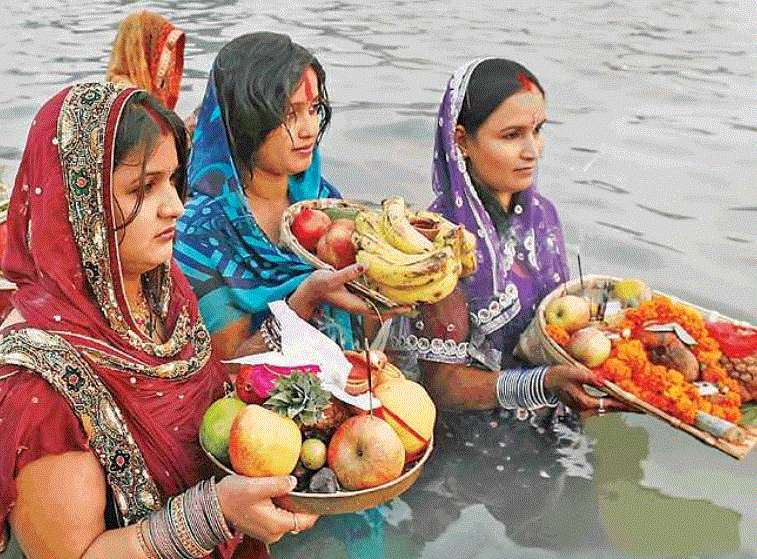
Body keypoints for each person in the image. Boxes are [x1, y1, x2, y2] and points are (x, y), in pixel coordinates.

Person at [0, 82, 319, 559]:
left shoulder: (161, 292)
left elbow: (209, 400)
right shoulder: (39, 382)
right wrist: (214, 513)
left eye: (173, 180)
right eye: (142, 188)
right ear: (78, 207)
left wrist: (307, 311)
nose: (175, 205)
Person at [385, 58, 629, 554]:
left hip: (551, 418)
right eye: (511, 134)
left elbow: (559, 325)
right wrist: (544, 384)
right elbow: (444, 387)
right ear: (461, 139)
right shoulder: (437, 245)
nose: (532, 150)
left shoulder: (541, 216)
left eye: (539, 130)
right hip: (469, 444)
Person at [173, 32, 405, 362]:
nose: (309, 128)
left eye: (313, 109)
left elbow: (358, 330)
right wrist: (305, 299)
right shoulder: (198, 233)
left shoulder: (321, 202)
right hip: (252, 410)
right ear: (242, 120)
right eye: (289, 114)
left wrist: (383, 299)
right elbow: (226, 368)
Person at [106, 11, 185, 111]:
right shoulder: (134, 99)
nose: (168, 63)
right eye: (161, 50)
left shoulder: (113, 89)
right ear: (147, 50)